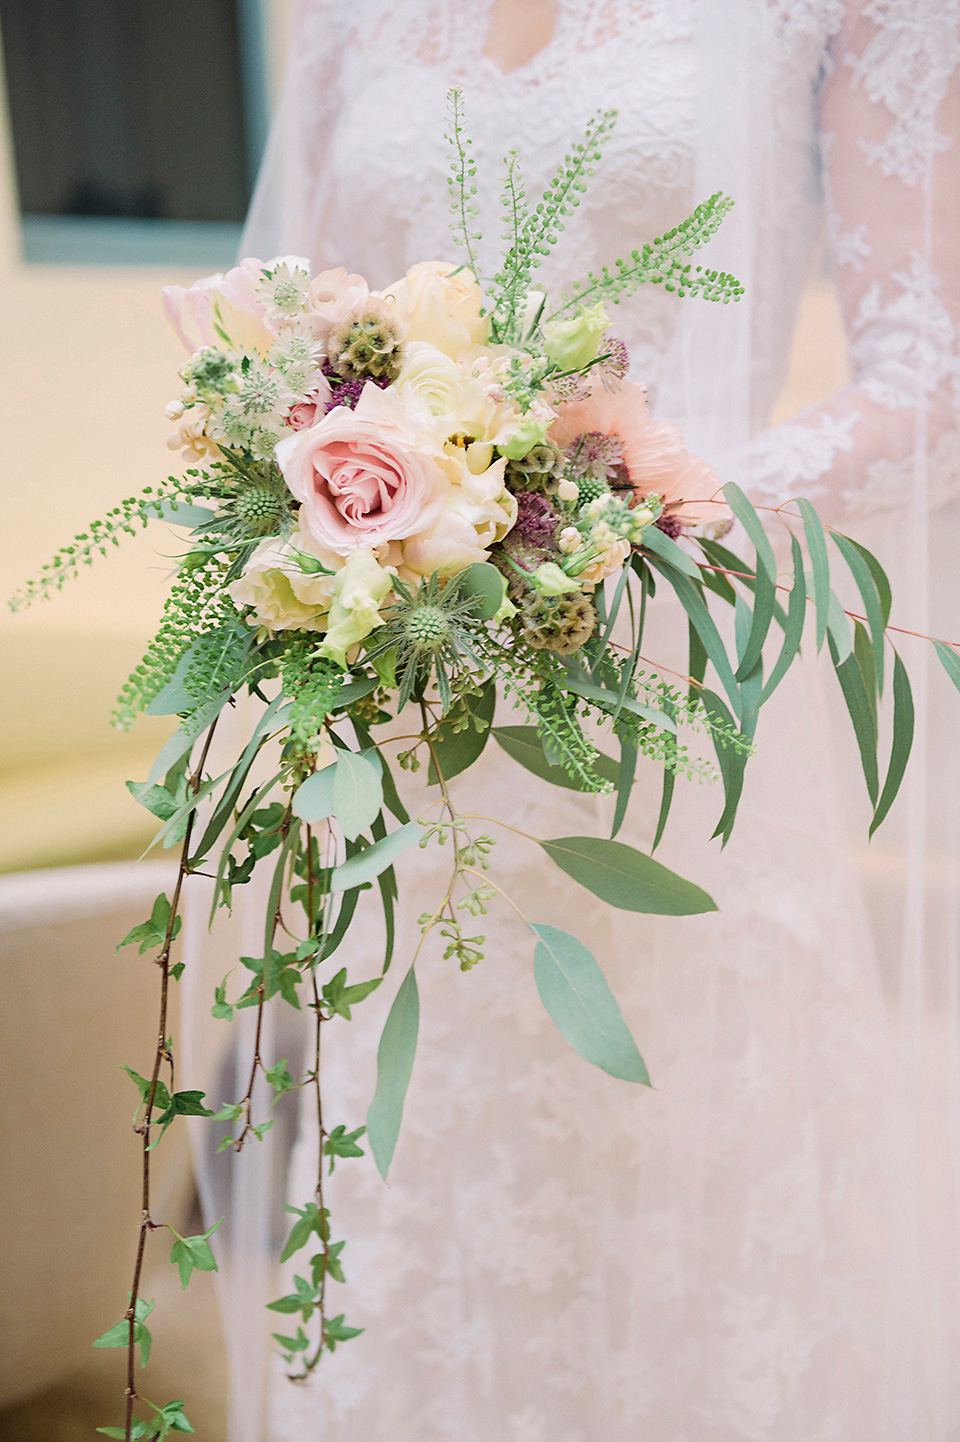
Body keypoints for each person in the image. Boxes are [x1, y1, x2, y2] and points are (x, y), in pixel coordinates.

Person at [190, 3, 960, 1438]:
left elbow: (931, 366)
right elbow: (294, 332)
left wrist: (650, 508)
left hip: (678, 708)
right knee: (425, 1172)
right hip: (416, 722)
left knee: (681, 1177)